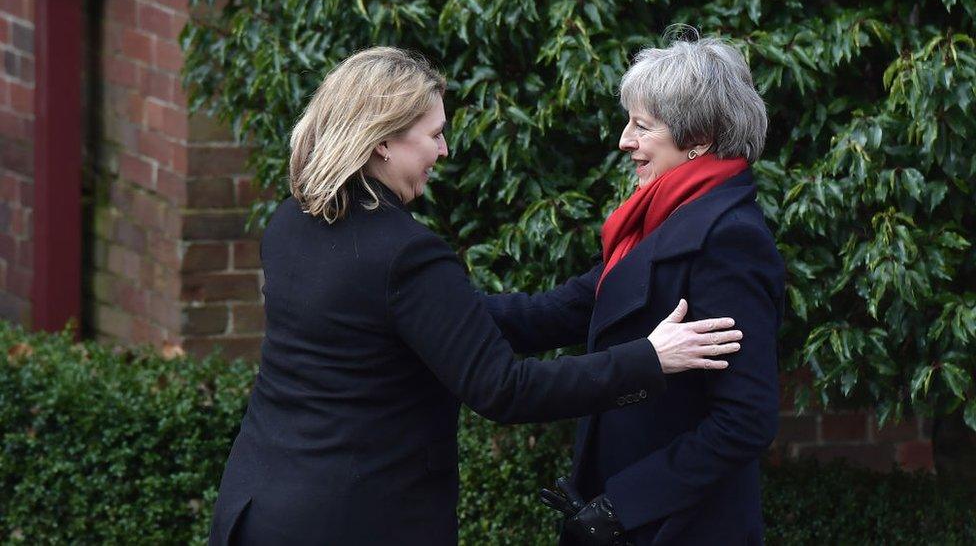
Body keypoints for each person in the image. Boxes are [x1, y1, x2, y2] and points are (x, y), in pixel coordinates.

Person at [207, 47, 743, 545]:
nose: (444, 149)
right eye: (434, 134)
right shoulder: (405, 254)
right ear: (383, 141)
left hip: (256, 510)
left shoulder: (292, 223)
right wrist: (649, 359)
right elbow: (504, 389)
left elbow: (443, 324)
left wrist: (614, 282)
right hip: (351, 521)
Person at [485, 36, 784, 545]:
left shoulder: (728, 238)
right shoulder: (658, 226)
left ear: (700, 138)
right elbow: (553, 312)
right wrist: (428, 306)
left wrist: (621, 506)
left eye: (642, 127)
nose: (625, 141)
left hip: (677, 527)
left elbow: (745, 420)